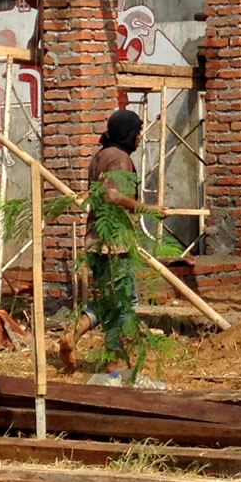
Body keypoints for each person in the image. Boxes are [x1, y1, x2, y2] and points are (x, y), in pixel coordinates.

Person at [82, 108, 154, 378]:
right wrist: (146, 208)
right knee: (124, 302)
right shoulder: (120, 158)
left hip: (94, 238)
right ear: (128, 133)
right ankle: (114, 361)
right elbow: (113, 196)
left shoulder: (100, 156)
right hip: (114, 242)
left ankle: (72, 332)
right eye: (138, 131)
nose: (139, 136)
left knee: (105, 301)